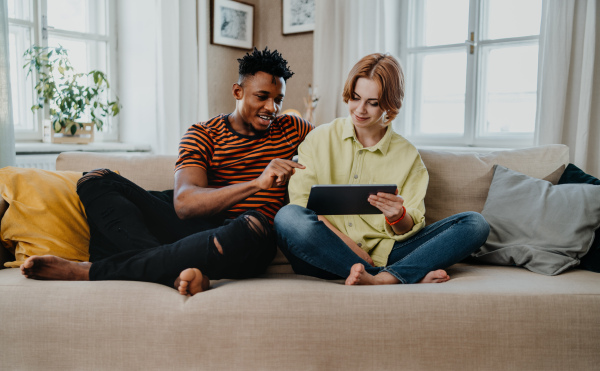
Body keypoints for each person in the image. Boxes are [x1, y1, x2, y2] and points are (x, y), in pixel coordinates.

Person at [21, 47, 313, 295]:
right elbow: (185, 205)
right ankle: (170, 272)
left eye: (278, 99)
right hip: (196, 227)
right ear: (238, 91)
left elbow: (338, 144)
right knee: (95, 179)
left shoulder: (292, 128)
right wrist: (256, 183)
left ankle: (94, 271)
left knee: (256, 224)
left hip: (244, 238)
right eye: (261, 96)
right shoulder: (204, 134)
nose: (271, 107)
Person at [274, 53, 489, 285]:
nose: (360, 110)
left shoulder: (407, 156)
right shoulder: (318, 139)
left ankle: (384, 277)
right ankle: (394, 276)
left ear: (389, 104)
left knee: (475, 224)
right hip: (326, 253)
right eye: (355, 98)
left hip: (388, 252)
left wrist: (399, 217)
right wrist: (356, 253)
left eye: (373, 103)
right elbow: (303, 206)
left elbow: (410, 226)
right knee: (288, 217)